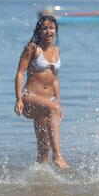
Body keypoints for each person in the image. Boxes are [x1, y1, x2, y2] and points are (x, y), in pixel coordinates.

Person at [14, 15, 69, 168]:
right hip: (30, 99)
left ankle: (39, 180)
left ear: (55, 30)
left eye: (51, 28)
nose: (48, 31)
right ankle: (58, 156)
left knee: (44, 149)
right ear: (39, 30)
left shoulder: (57, 50)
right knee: (52, 109)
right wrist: (18, 98)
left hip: (47, 103)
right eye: (44, 28)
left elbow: (55, 80)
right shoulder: (32, 48)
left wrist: (58, 102)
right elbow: (20, 73)